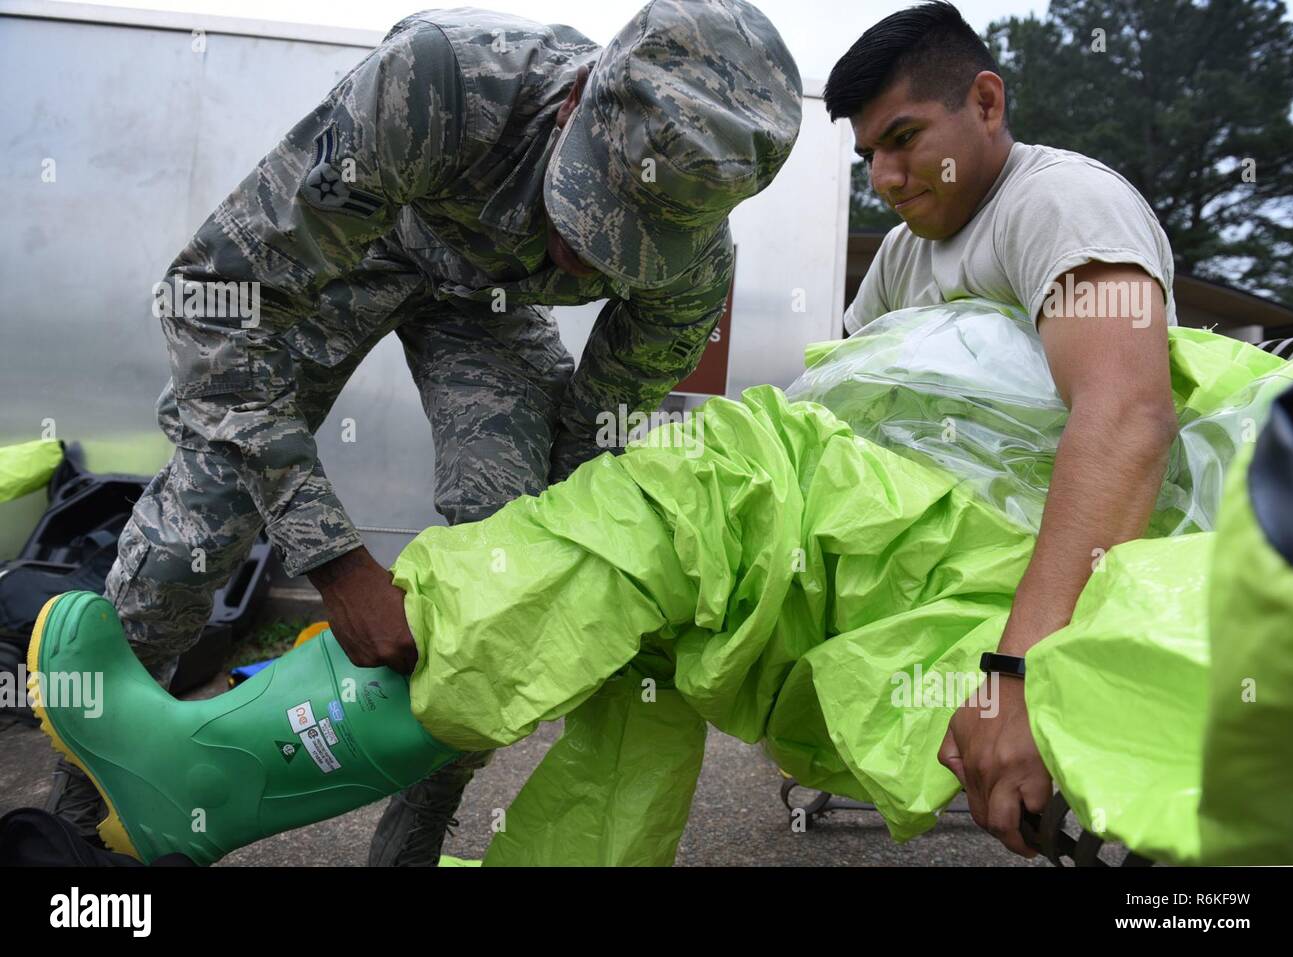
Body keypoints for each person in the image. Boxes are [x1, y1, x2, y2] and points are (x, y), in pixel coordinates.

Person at [45, 0, 802, 866]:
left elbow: (587, 444)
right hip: (356, 250)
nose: (580, 262)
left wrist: (558, 593)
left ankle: (412, 838)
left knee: (507, 568)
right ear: (574, 101)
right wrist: (335, 560)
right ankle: (78, 826)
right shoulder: (437, 84)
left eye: (624, 252)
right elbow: (216, 301)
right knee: (202, 522)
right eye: (583, 212)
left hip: (488, 312)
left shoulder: (697, 266)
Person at [822, 0, 1180, 858]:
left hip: (1085, 601)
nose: (883, 175)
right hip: (959, 581)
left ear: (986, 103)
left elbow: (1128, 414)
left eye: (904, 138)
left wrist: (1016, 676)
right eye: (869, 153)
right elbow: (835, 410)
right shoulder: (907, 254)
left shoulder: (1063, 204)